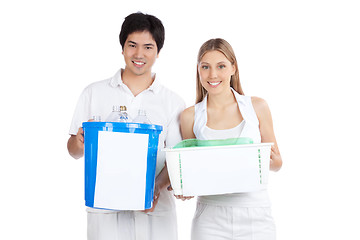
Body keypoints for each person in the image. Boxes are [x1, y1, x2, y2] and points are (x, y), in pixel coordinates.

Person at [67, 12, 185, 240]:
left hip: (154, 214)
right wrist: (80, 142)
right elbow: (72, 151)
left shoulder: (173, 102)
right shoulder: (94, 93)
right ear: (122, 48)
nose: (139, 54)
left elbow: (177, 160)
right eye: (132, 45)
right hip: (105, 213)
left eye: (148, 47)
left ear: (158, 52)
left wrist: (157, 188)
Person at [180, 38, 282, 240]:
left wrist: (263, 158)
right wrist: (184, 187)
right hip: (210, 217)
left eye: (221, 66)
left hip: (255, 213)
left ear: (233, 68)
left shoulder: (257, 107)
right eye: (205, 67)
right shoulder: (189, 116)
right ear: (198, 70)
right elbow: (191, 173)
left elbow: (278, 163)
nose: (213, 75)